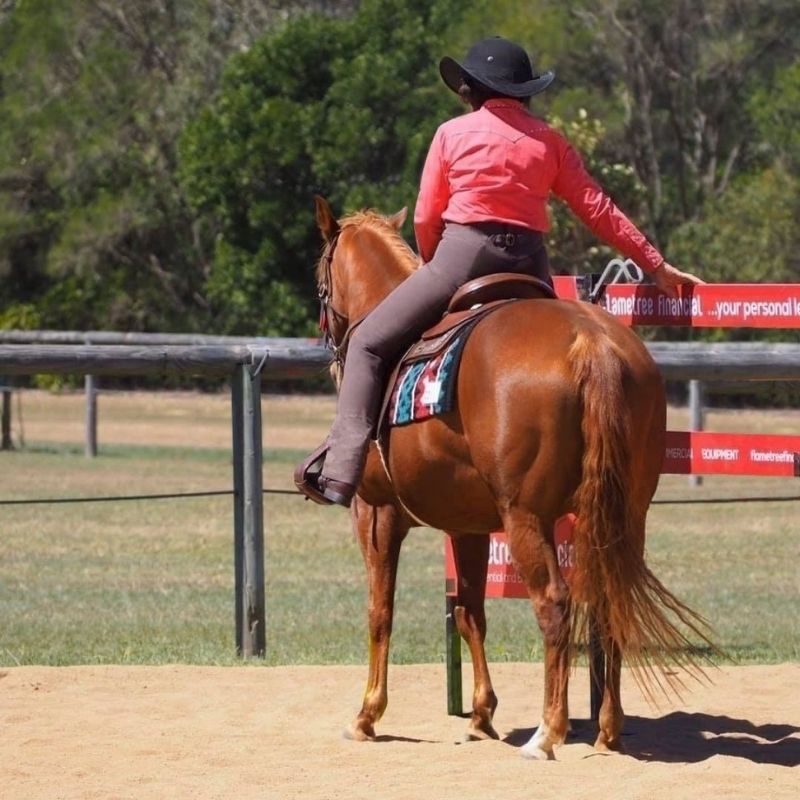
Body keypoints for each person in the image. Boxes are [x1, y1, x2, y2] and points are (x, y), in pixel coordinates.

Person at [296, 35, 703, 508]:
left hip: (462, 256)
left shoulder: (451, 134)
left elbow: (428, 214)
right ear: (526, 92)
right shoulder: (550, 141)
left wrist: (432, 266)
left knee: (365, 342)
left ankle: (342, 473)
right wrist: (654, 264)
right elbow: (597, 207)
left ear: (470, 90)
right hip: (531, 264)